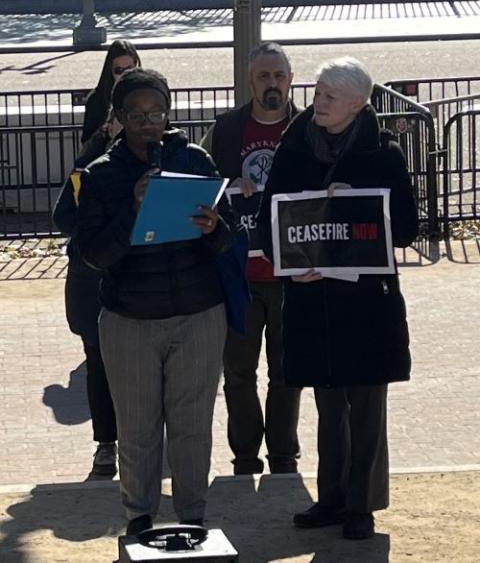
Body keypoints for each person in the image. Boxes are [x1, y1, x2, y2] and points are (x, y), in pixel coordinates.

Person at [258, 57, 418, 539]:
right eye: (318, 92)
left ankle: (360, 506)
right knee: (328, 402)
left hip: (366, 304)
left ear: (357, 105)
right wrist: (289, 268)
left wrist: (361, 203)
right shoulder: (293, 148)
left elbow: (407, 229)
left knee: (365, 405)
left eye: (329, 96)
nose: (317, 102)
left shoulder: (384, 154)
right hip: (312, 299)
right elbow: (272, 222)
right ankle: (329, 500)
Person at [76, 68, 239, 535]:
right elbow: (94, 255)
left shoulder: (197, 160)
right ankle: (140, 517)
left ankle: (192, 516)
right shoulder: (101, 176)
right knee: (138, 426)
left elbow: (227, 240)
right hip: (131, 320)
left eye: (157, 113)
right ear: (121, 118)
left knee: (192, 425)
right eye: (138, 115)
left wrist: (214, 228)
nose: (150, 123)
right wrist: (134, 207)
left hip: (198, 315)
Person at [201, 42, 302, 475]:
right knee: (238, 373)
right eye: (264, 76)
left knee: (288, 372)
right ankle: (245, 456)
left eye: (279, 76)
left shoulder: (309, 128)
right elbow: (202, 188)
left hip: (292, 276)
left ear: (291, 80)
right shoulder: (224, 131)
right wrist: (228, 184)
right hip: (238, 275)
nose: (272, 84)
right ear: (250, 81)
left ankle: (283, 455)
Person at [52, 40, 140, 478]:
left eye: (149, 116)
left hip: (146, 282)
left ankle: (141, 445)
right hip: (95, 277)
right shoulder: (92, 158)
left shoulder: (169, 156)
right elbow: (64, 214)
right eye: (128, 116)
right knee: (100, 360)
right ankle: (106, 444)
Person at [80, 39, 141, 159]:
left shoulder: (147, 95)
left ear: (136, 66)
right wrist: (106, 130)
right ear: (110, 71)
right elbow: (86, 145)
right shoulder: (97, 100)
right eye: (119, 70)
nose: (124, 75)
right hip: (106, 165)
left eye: (129, 70)